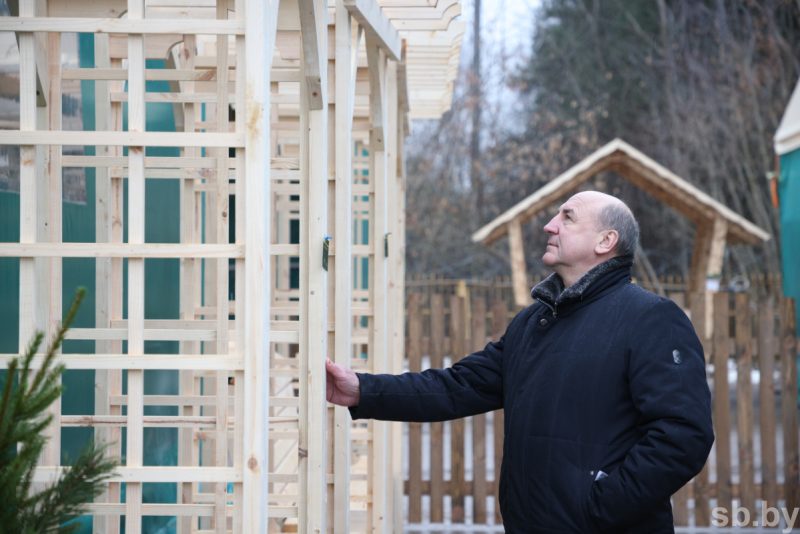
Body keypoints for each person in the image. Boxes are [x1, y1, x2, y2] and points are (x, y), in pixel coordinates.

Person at [326, 191, 714, 533]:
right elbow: (457, 386)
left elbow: (683, 435)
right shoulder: (534, 323)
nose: (549, 226)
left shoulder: (650, 318)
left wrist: (599, 507)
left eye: (567, 217)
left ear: (606, 240)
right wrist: (362, 389)